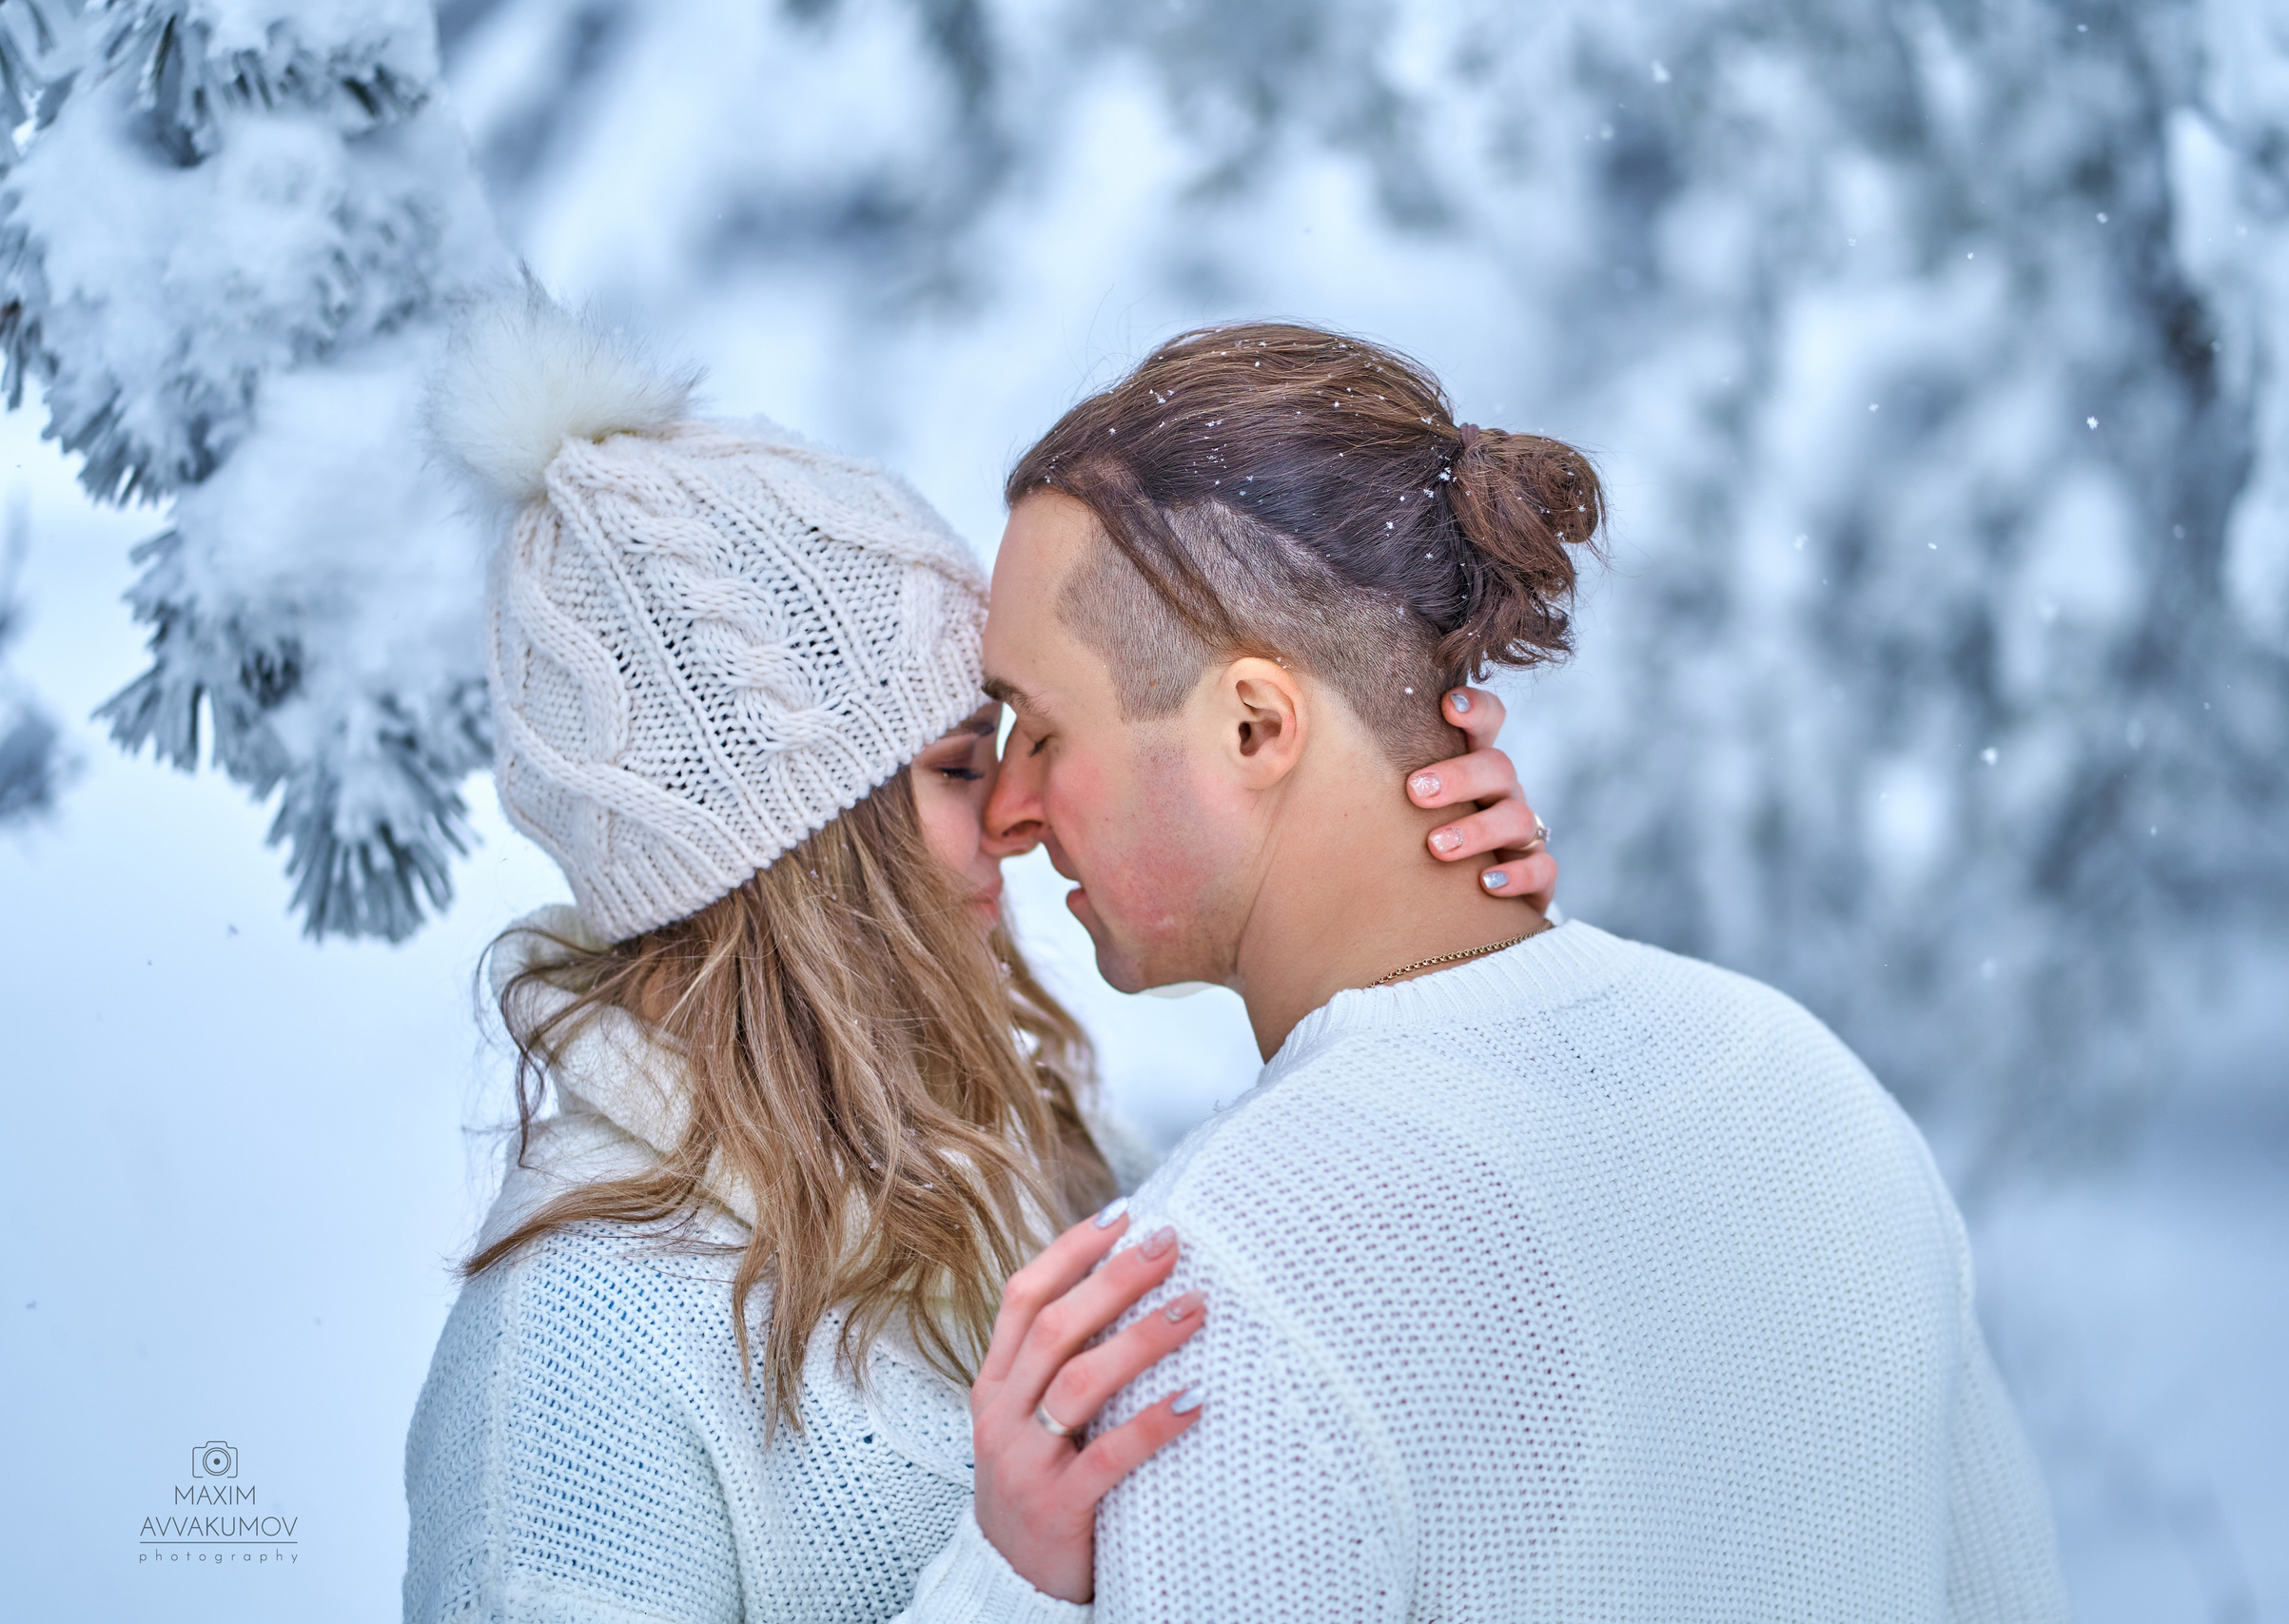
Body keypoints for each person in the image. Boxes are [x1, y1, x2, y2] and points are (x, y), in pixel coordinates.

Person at [400, 287, 1558, 1623]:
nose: (1017, 811)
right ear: (798, 855)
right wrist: (1002, 1586)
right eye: (961, 765)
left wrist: (1426, 945)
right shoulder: (570, 1354)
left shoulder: (1020, 1160)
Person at [949, 322, 2072, 1619]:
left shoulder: (1206, 1296)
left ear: (1254, 726)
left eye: (1042, 730)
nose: (1006, 812)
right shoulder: (1804, 1081)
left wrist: (1000, 1587)